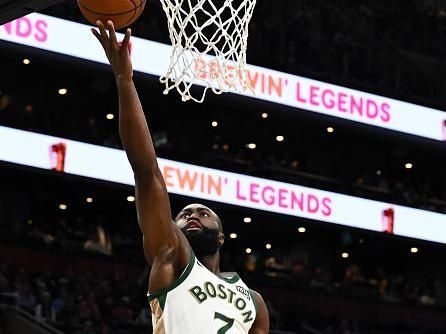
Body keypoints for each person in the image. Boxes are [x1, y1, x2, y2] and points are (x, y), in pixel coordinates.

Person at [91, 20, 270, 334]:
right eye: (185, 214)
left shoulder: (254, 302)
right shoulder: (171, 253)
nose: (193, 215)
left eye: (204, 213)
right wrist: (124, 79)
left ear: (222, 236)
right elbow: (147, 173)